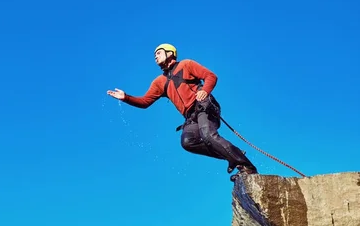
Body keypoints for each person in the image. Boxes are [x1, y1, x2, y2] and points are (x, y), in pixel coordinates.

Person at [107, 43, 258, 181]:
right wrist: (126, 97)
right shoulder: (159, 82)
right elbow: (145, 102)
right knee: (188, 143)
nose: (155, 56)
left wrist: (205, 91)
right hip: (190, 118)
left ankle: (247, 167)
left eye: (159, 53)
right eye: (155, 55)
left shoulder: (186, 64)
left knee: (208, 135)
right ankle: (233, 154)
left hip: (204, 106)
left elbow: (211, 76)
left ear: (170, 53)